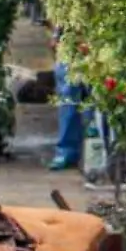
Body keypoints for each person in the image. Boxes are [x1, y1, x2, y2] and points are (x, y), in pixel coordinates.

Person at [49, 24, 87, 171]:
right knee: (68, 99)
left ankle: (87, 152)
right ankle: (68, 152)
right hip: (70, 45)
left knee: (94, 103)